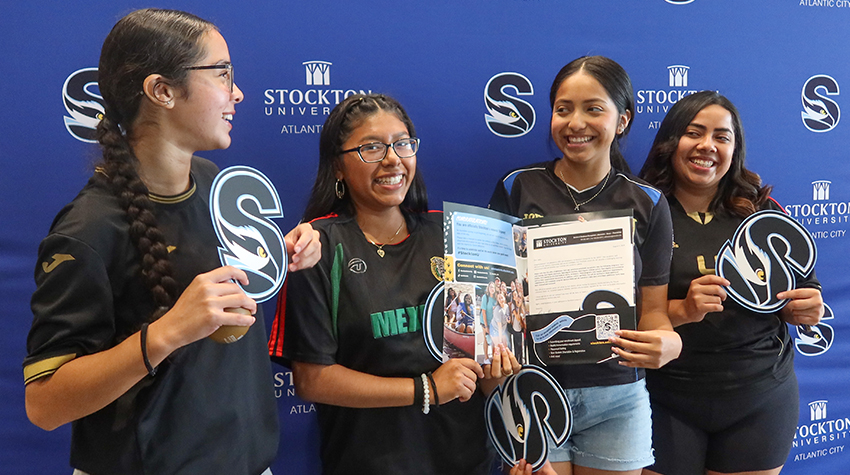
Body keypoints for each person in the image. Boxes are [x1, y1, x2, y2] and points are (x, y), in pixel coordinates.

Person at [22, 9, 320, 475]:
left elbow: (207, 280)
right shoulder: (88, 229)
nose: (237, 92)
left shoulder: (212, 182)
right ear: (162, 91)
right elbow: (44, 404)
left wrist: (276, 254)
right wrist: (168, 332)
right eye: (222, 74)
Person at [268, 93, 519, 475]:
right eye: (371, 147)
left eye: (402, 144)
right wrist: (426, 390)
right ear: (338, 166)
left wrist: (499, 378)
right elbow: (312, 379)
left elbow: (483, 373)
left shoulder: (453, 235)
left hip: (467, 460)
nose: (392, 159)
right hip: (369, 462)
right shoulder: (317, 247)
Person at [490, 55, 682, 475]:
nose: (575, 122)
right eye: (563, 109)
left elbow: (653, 312)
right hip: (533, 389)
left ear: (623, 120)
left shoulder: (648, 203)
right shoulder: (516, 187)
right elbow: (495, 301)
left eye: (593, 108)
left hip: (617, 395)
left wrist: (670, 343)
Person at [638, 91, 824, 475]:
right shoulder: (640, 210)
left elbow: (805, 290)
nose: (707, 146)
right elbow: (615, 314)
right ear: (671, 142)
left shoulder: (762, 211)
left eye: (721, 137)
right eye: (694, 133)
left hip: (759, 397)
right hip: (666, 397)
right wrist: (683, 310)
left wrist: (808, 307)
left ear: (734, 149)